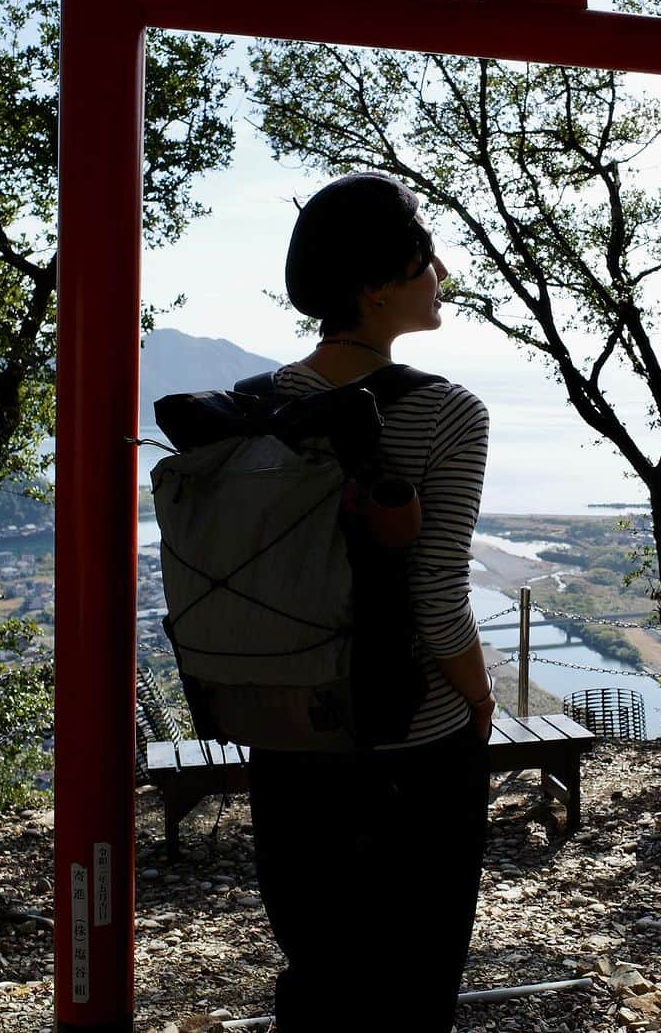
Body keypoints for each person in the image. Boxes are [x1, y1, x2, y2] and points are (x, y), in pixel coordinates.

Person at [245, 172, 494, 1032]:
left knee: (319, 974)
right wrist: (477, 695)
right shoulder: (448, 412)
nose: (442, 274)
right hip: (408, 742)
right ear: (375, 286)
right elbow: (435, 592)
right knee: (412, 983)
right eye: (426, 259)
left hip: (286, 731)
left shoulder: (256, 404)